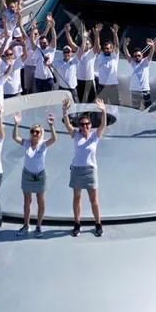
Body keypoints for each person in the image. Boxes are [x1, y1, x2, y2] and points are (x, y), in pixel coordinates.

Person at [62, 96, 108, 237]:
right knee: (77, 198)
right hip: (77, 170)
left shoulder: (95, 136)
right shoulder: (76, 135)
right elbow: (67, 124)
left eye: (87, 124)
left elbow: (103, 125)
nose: (84, 127)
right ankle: (77, 224)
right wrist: (65, 111)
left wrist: (103, 111)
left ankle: (98, 223)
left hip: (90, 171)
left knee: (94, 200)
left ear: (90, 124)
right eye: (82, 124)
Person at [11, 111, 57, 235]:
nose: (35, 134)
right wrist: (16, 124)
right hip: (27, 175)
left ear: (41, 134)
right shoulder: (27, 143)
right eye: (33, 131)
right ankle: (26, 225)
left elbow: (54, 139)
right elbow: (15, 137)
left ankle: (38, 226)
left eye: (37, 132)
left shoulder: (43, 144)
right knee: (27, 201)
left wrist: (51, 125)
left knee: (40, 200)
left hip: (40, 176)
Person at [66, 23, 97, 102]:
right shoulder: (78, 50)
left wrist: (97, 35)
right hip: (79, 80)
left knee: (91, 100)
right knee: (80, 100)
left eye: (87, 44)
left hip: (89, 81)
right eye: (84, 43)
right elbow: (70, 43)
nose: (85, 45)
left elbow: (97, 46)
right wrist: (67, 32)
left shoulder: (92, 52)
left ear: (90, 45)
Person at [122, 36, 154, 109]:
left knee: (148, 110)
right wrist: (124, 45)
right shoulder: (132, 62)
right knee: (135, 110)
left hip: (145, 90)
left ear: (142, 55)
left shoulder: (146, 61)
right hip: (135, 91)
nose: (137, 57)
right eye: (135, 56)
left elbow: (151, 53)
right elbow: (126, 53)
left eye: (139, 55)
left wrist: (152, 46)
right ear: (133, 56)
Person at [94, 23, 121, 104]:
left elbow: (117, 45)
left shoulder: (114, 56)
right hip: (102, 86)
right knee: (102, 107)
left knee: (115, 107)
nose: (107, 50)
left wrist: (115, 34)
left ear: (112, 49)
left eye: (108, 48)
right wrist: (97, 33)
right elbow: (97, 45)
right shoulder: (101, 56)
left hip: (113, 86)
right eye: (105, 48)